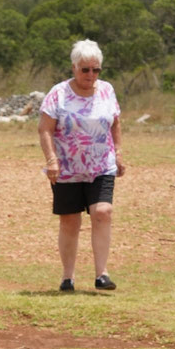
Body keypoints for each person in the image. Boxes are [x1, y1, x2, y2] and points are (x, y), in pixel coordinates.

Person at [38, 39, 124, 291]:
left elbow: (116, 122)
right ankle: (68, 276)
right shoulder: (58, 93)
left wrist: (118, 153)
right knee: (70, 220)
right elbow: (45, 128)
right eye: (85, 69)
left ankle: (102, 274)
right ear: (74, 68)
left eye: (95, 70)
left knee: (102, 212)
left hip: (101, 165)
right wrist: (51, 160)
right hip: (66, 168)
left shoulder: (107, 90)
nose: (91, 75)